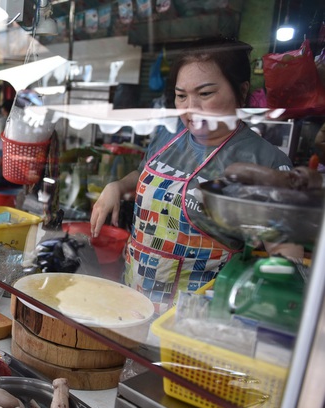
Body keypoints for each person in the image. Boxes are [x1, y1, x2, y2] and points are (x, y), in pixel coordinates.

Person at [90, 37, 294, 304]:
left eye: (205, 94)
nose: (190, 108)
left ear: (241, 91)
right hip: (133, 296)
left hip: (195, 317)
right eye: (181, 95)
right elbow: (142, 175)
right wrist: (117, 186)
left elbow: (284, 257)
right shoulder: (168, 136)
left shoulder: (265, 161)